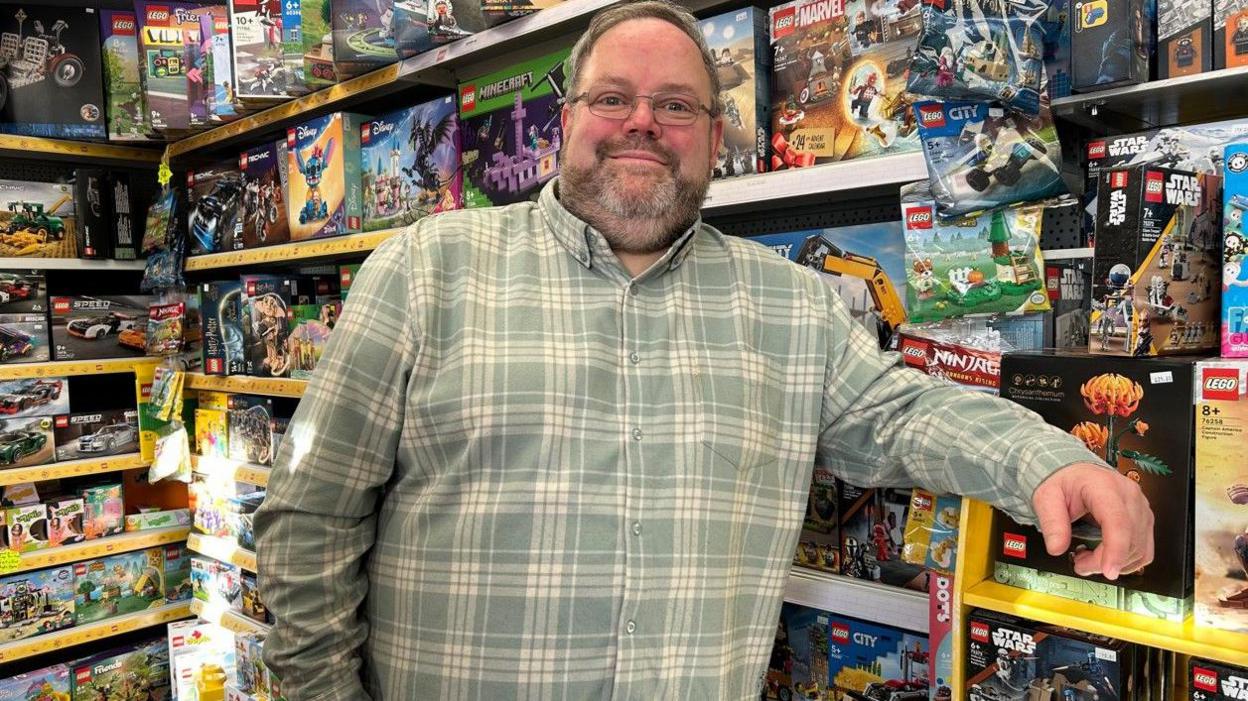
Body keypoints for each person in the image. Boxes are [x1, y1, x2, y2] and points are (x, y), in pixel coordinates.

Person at [254, 2, 1154, 699]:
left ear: (715, 140)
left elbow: (904, 411)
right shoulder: (423, 269)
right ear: (565, 120)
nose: (642, 122)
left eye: (676, 105)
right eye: (613, 98)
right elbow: (310, 520)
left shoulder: (790, 302)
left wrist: (1048, 462)